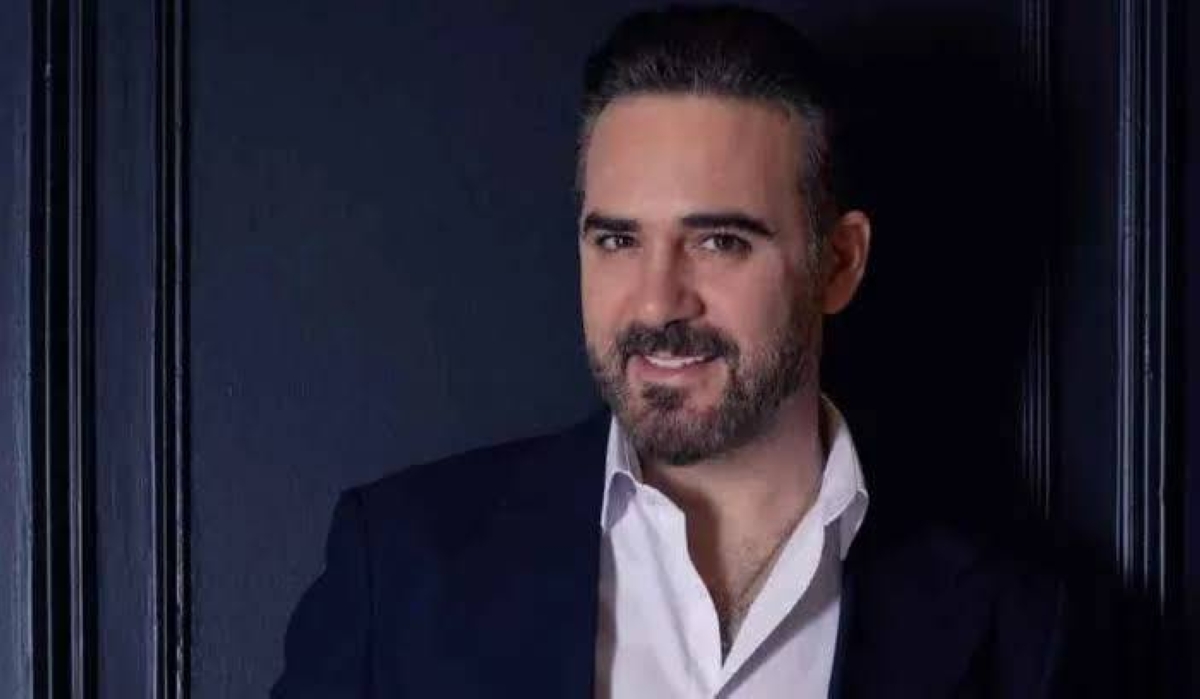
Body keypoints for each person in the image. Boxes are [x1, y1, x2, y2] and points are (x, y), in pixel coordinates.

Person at [272, 5, 1072, 697]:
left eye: (719, 241)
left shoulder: (1025, 626)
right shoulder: (401, 570)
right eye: (618, 240)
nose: (657, 302)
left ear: (838, 263)